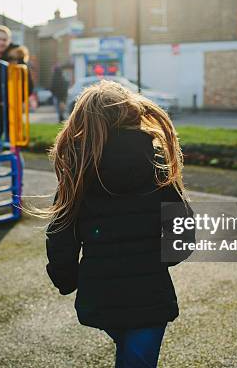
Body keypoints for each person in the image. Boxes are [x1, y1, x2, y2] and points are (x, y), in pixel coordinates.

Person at [39, 80, 194, 368]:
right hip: (150, 294)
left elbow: (61, 234)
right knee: (136, 357)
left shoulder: (79, 170)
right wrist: (162, 259)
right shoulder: (155, 161)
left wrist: (66, 279)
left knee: (128, 352)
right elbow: (182, 226)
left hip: (101, 294)